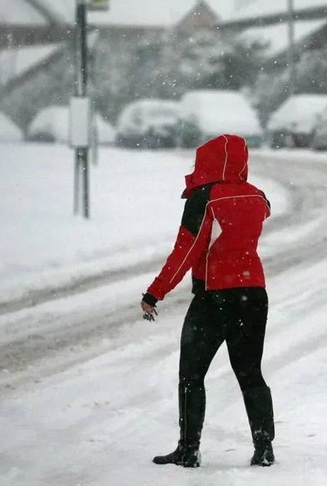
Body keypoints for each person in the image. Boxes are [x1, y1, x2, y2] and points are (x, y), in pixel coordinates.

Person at [140, 133, 275, 469]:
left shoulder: (205, 198)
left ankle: (188, 449)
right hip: (253, 294)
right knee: (250, 373)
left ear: (208, 162)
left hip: (214, 296)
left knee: (191, 374)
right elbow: (256, 215)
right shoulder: (258, 196)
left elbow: (186, 250)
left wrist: (156, 292)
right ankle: (265, 448)